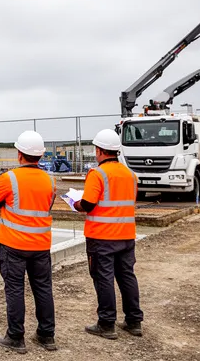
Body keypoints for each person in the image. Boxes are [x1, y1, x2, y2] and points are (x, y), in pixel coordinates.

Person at [0, 130, 58, 353]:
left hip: (14, 245)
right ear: (40, 156)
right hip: (41, 245)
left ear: (20, 154)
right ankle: (47, 336)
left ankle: (16, 337)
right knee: (43, 288)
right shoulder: (50, 180)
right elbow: (47, 205)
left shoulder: (8, 179)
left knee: (15, 290)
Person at [74, 129, 144, 340]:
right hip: (126, 235)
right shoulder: (130, 174)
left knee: (103, 278)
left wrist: (75, 203)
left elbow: (87, 204)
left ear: (99, 150)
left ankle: (106, 323)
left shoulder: (98, 174)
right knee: (127, 276)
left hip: (102, 237)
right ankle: (134, 321)